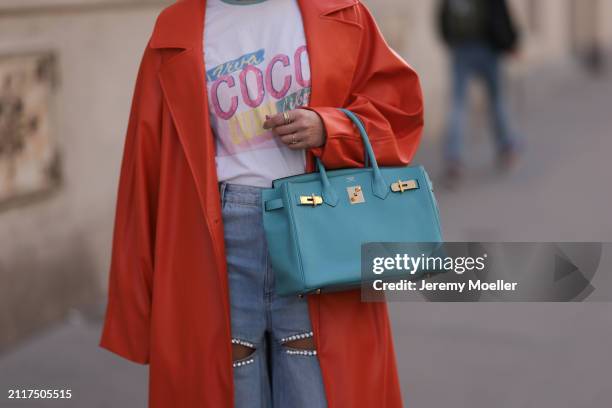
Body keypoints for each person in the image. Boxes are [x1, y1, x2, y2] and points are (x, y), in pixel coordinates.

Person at [100, 0, 424, 407]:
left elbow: (400, 110)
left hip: (318, 223)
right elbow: (145, 162)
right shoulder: (176, 29)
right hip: (218, 233)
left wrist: (330, 128)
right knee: (230, 380)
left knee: (315, 380)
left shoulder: (341, 10)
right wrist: (136, 300)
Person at [438, 0, 521, 184]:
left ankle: (454, 157)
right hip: (489, 48)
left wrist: (452, 42)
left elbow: (442, 17)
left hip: (461, 49)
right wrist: (511, 42)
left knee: (458, 104)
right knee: (497, 101)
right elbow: (500, 14)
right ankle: (507, 148)